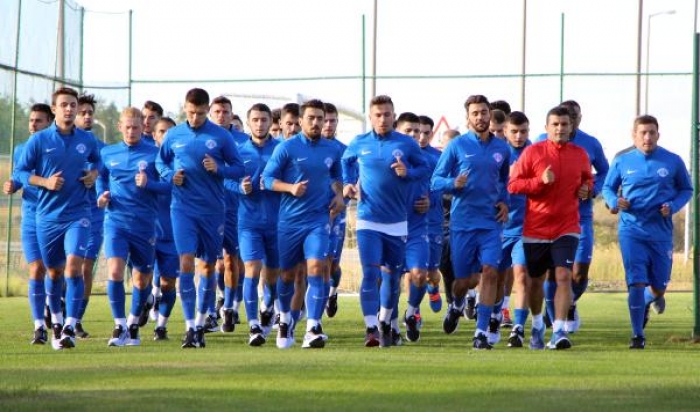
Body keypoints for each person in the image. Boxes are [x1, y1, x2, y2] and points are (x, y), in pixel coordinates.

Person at [156, 88, 244, 349]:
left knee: (207, 267)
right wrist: (170, 175)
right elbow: (160, 163)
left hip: (213, 211)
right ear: (185, 108)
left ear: (207, 111)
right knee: (185, 263)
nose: (195, 118)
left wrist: (219, 169)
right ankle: (189, 327)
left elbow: (239, 168)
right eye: (191, 112)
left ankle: (201, 321)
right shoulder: (174, 135)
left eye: (201, 113)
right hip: (182, 209)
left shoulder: (221, 136)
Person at [15, 87, 101, 350]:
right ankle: (56, 321)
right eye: (64, 105)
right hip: (47, 217)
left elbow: (98, 162)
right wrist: (45, 182)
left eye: (73, 105)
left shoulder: (87, 139)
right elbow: (20, 172)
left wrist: (93, 175)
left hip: (78, 214)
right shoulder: (39, 140)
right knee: (53, 271)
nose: (69, 109)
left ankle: (70, 326)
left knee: (74, 268)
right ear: (54, 109)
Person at [342, 95, 429, 348]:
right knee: (370, 272)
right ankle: (371, 328)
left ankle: (385, 319)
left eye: (387, 114)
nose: (382, 119)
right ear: (370, 117)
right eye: (378, 115)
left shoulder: (406, 144)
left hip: (398, 223)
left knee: (392, 279)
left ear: (394, 116)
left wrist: (408, 172)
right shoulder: (359, 143)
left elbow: (424, 169)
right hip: (367, 220)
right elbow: (345, 162)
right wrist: (348, 183)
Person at [602, 115, 692, 349]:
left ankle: (650, 299)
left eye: (652, 132)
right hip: (631, 230)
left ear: (658, 135)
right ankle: (637, 335)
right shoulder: (622, 161)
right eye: (643, 132)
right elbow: (608, 187)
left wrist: (672, 206)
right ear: (634, 136)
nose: (647, 137)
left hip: (660, 233)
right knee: (636, 282)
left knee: (659, 286)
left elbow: (686, 189)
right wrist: (614, 201)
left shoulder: (672, 161)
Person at [508, 105, 592, 350]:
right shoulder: (533, 152)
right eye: (555, 124)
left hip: (567, 226)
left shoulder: (580, 154)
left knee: (563, 275)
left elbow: (588, 179)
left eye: (564, 124)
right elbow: (513, 185)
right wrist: (539, 181)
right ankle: (537, 323)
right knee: (535, 281)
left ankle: (559, 331)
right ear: (546, 128)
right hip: (536, 227)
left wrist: (587, 188)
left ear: (571, 127)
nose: (560, 129)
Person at [262, 99, 345, 349]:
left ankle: (313, 327)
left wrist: (339, 195)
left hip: (318, 220)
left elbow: (336, 177)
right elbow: (267, 179)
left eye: (321, 118)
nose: (317, 122)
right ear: (301, 120)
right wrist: (290, 188)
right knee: (287, 275)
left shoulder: (332, 149)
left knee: (318, 268)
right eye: (311, 118)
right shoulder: (286, 148)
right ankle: (285, 319)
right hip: (289, 223)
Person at [432, 95, 510, 350]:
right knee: (463, 282)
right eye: (475, 113)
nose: (480, 117)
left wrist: (504, 202)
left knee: (490, 272)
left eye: (484, 112)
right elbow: (435, 181)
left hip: (490, 223)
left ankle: (480, 333)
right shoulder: (457, 146)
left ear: (490, 115)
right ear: (468, 118)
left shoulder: (502, 149)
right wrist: (452, 183)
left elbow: (504, 182)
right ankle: (456, 305)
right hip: (462, 224)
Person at [536, 100, 608, 332]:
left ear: (579, 118)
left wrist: (592, 188)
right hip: (550, 217)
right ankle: (555, 321)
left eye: (573, 116)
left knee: (578, 273)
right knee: (551, 272)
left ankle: (569, 303)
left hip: (580, 216)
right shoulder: (540, 141)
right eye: (563, 118)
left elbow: (605, 171)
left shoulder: (590, 143)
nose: (568, 122)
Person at [97, 107, 167, 347]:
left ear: (143, 127)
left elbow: (169, 185)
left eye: (136, 127)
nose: (131, 131)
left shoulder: (155, 154)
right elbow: (101, 177)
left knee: (141, 280)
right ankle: (119, 325)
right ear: (120, 127)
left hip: (145, 224)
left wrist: (149, 184)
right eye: (127, 127)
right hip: (115, 221)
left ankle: (134, 322)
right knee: (115, 271)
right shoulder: (108, 152)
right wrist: (101, 194)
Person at [3, 103, 53, 345]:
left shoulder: (56, 147)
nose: (33, 124)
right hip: (31, 216)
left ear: (49, 123)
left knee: (55, 269)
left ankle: (55, 307)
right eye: (31, 120)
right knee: (36, 268)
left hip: (55, 216)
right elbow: (19, 176)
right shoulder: (21, 149)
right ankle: (39, 326)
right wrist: (13, 185)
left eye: (39, 120)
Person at [231, 103, 280, 345]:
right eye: (255, 120)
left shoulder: (281, 149)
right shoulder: (238, 151)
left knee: (273, 275)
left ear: (271, 122)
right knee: (251, 268)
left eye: (264, 120)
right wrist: (240, 187)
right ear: (249, 122)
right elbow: (224, 181)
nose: (260, 124)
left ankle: (268, 306)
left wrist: (276, 185)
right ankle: (253, 325)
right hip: (248, 222)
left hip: (278, 223)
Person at [208, 95, 248, 331]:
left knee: (232, 261)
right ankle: (209, 310)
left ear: (231, 114)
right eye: (217, 112)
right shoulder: (202, 139)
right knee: (209, 263)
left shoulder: (243, 141)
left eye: (225, 112)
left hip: (236, 210)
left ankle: (230, 306)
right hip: (207, 209)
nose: (221, 116)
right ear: (210, 113)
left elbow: (243, 171)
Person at [497, 111, 536, 348]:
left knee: (521, 275)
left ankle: (518, 328)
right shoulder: (497, 153)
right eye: (514, 131)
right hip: (497, 228)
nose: (519, 136)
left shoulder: (536, 153)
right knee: (494, 277)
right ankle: (492, 318)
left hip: (525, 228)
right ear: (505, 131)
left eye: (523, 131)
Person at [394, 112, 430, 344]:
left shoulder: (427, 160)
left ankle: (411, 311)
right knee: (387, 279)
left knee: (419, 275)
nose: (414, 135)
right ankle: (388, 322)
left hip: (417, 228)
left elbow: (435, 186)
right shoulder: (387, 158)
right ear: (397, 131)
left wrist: (430, 201)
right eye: (408, 131)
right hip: (389, 227)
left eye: (416, 131)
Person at [73, 93, 105, 339]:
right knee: (61, 267)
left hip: (93, 216)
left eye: (89, 113)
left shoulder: (102, 149)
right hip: (64, 215)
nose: (86, 116)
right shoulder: (59, 144)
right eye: (81, 112)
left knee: (85, 267)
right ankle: (56, 310)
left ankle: (75, 319)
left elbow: (109, 176)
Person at [149, 117, 179, 341]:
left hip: (173, 231)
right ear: (154, 135)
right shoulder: (144, 160)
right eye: (161, 131)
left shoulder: (182, 162)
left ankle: (161, 326)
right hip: (145, 230)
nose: (166, 135)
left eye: (170, 132)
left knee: (169, 282)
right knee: (141, 278)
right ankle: (146, 302)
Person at [321, 102, 347, 319]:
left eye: (332, 121)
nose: (328, 125)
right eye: (325, 120)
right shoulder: (307, 148)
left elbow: (350, 182)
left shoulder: (344, 151)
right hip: (312, 213)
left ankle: (332, 292)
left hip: (337, 214)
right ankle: (313, 312)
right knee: (314, 261)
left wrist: (344, 194)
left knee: (332, 264)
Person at [418, 115, 446, 316]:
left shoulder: (438, 158)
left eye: (426, 133)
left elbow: (443, 184)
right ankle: (414, 311)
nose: (421, 137)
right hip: (409, 222)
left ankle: (433, 287)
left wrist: (432, 199)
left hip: (433, 221)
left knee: (431, 273)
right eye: (417, 132)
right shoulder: (403, 155)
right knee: (412, 271)